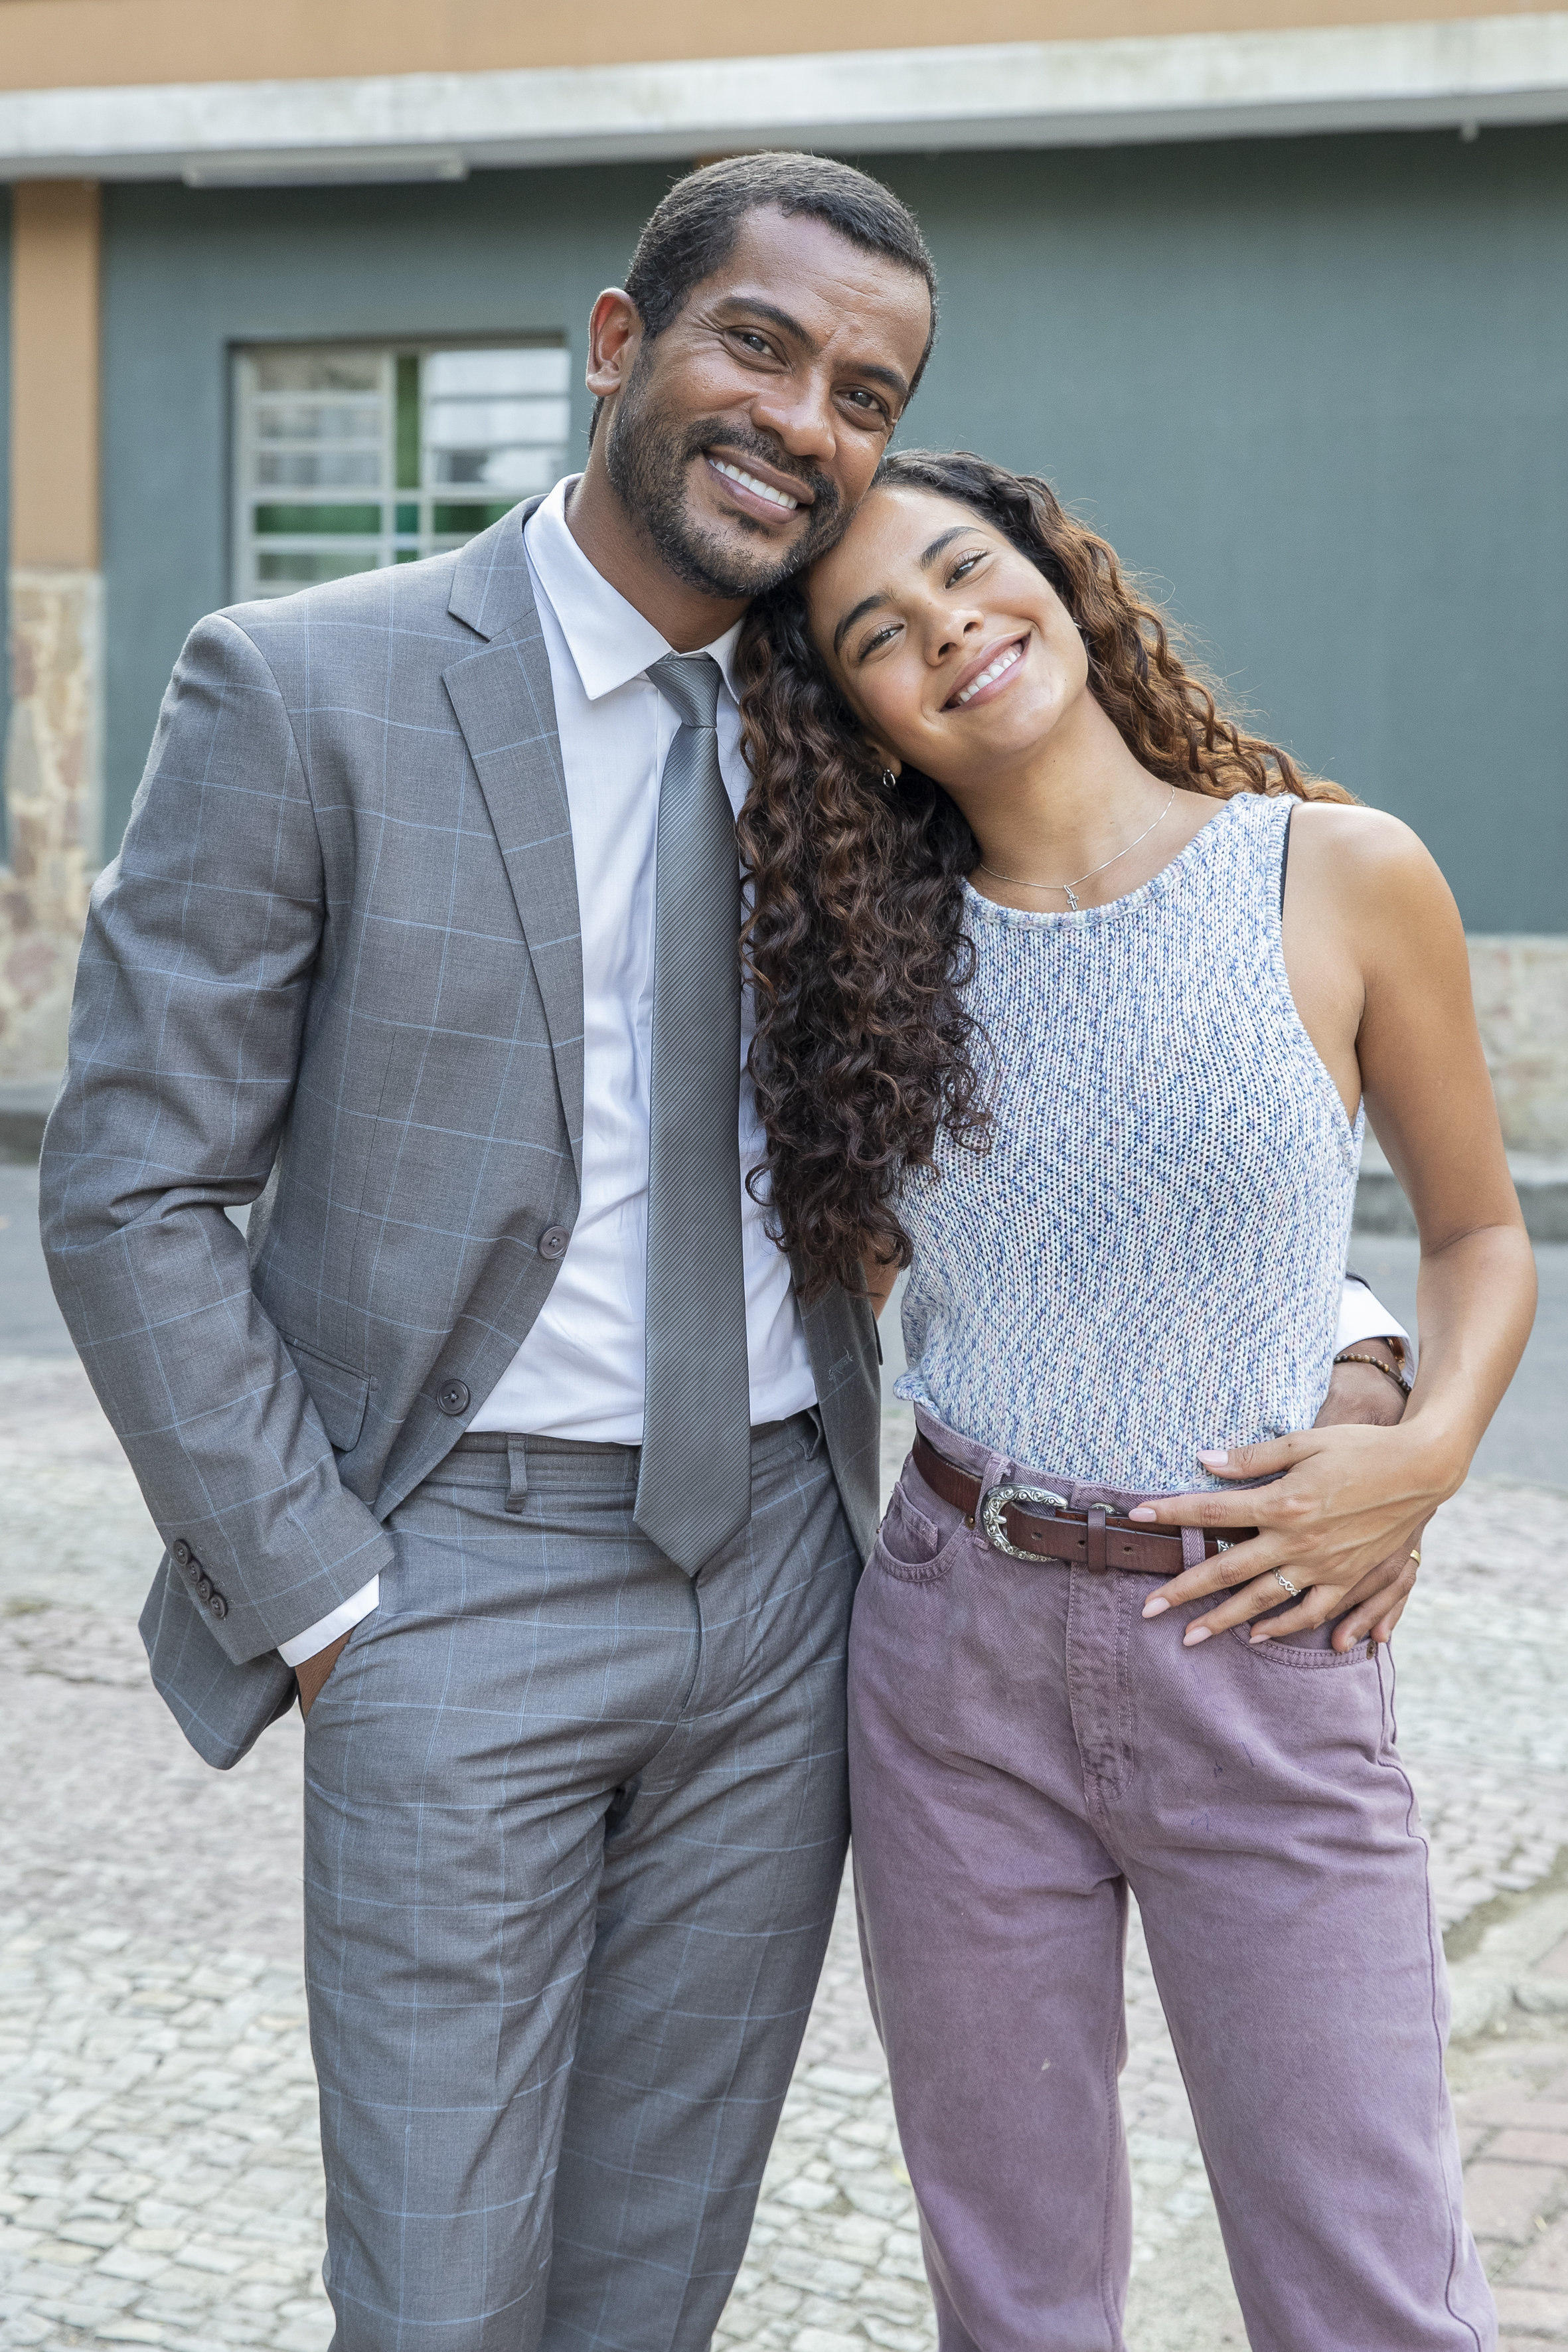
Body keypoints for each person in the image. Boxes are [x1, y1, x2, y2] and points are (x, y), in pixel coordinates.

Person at [39, 157, 1422, 2349]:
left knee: (651, 2280)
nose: (805, 418)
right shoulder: (309, 689)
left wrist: (1343, 1353)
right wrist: (318, 1599)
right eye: (757, 346)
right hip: (442, 1583)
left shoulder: (867, 724)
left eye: (866, 390)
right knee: (437, 2287)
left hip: (791, 1589)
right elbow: (129, 1185)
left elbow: (1125, 1081)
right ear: (619, 345)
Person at [736, 447, 1535, 2351]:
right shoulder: (863, 970)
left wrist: (1411, 1456)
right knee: (1011, 2292)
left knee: (1364, 2278)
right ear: (857, 717)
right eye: (874, 635)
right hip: (952, 1656)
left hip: (1258, 1635)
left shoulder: (1335, 871)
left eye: (959, 568)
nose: (945, 628)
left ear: (1047, 564)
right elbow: (844, 1302)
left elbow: (1482, 1237)